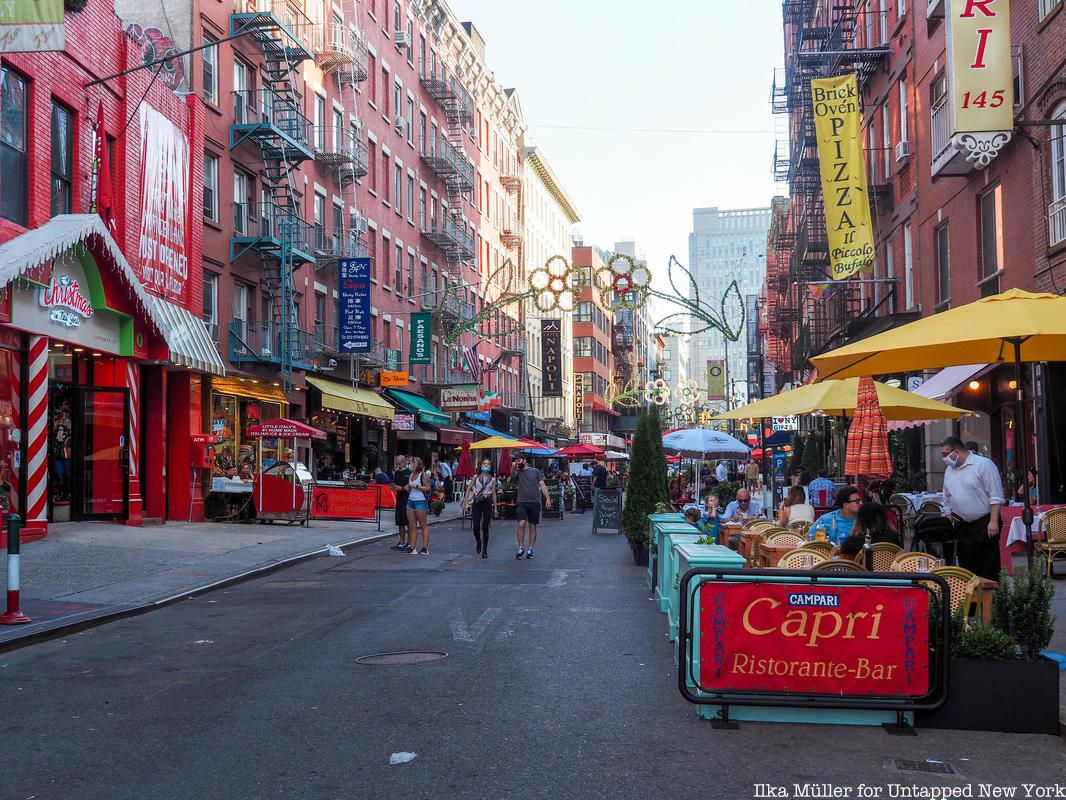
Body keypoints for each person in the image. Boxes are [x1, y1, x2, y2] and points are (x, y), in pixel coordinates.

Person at [940, 435, 1004, 581]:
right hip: (963, 523)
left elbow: (995, 495)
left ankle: (991, 599)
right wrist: (948, 513)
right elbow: (946, 495)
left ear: (957, 451)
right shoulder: (949, 470)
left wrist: (993, 521)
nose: (943, 458)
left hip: (984, 521)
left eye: (945, 453)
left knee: (988, 565)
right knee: (966, 566)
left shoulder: (983, 465)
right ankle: (970, 601)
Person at [513, 453, 551, 560]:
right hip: (521, 501)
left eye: (519, 460)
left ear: (524, 460)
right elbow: (511, 477)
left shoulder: (535, 471)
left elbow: (542, 485)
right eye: (516, 461)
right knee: (521, 524)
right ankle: (521, 547)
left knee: (532, 526)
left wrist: (547, 498)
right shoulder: (517, 472)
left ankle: (530, 549)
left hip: (534, 502)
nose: (517, 463)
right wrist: (513, 468)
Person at [463, 458, 497, 559]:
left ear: (490, 466)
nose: (486, 465)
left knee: (485, 527)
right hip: (477, 502)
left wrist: (495, 508)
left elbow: (494, 494)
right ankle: (478, 541)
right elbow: (468, 489)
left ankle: (485, 550)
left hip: (487, 501)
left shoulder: (493, 479)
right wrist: (466, 504)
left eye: (488, 464)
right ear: (481, 465)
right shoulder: (476, 477)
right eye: (484, 463)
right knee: (476, 526)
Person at [406, 457, 433, 555]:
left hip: (420, 501)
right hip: (410, 501)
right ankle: (412, 547)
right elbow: (410, 487)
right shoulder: (411, 475)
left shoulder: (423, 475)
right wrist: (408, 487)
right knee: (412, 525)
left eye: (412, 463)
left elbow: (428, 488)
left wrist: (416, 486)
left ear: (417, 464)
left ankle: (425, 548)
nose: (410, 465)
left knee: (423, 525)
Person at [390, 455, 412, 552]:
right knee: (400, 522)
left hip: (407, 500)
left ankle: (410, 542)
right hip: (399, 499)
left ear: (404, 463)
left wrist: (402, 488)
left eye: (400, 463)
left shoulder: (409, 473)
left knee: (408, 522)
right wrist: (393, 486)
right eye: (397, 464)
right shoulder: (397, 473)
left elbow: (409, 488)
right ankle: (401, 541)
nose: (398, 466)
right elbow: (393, 484)